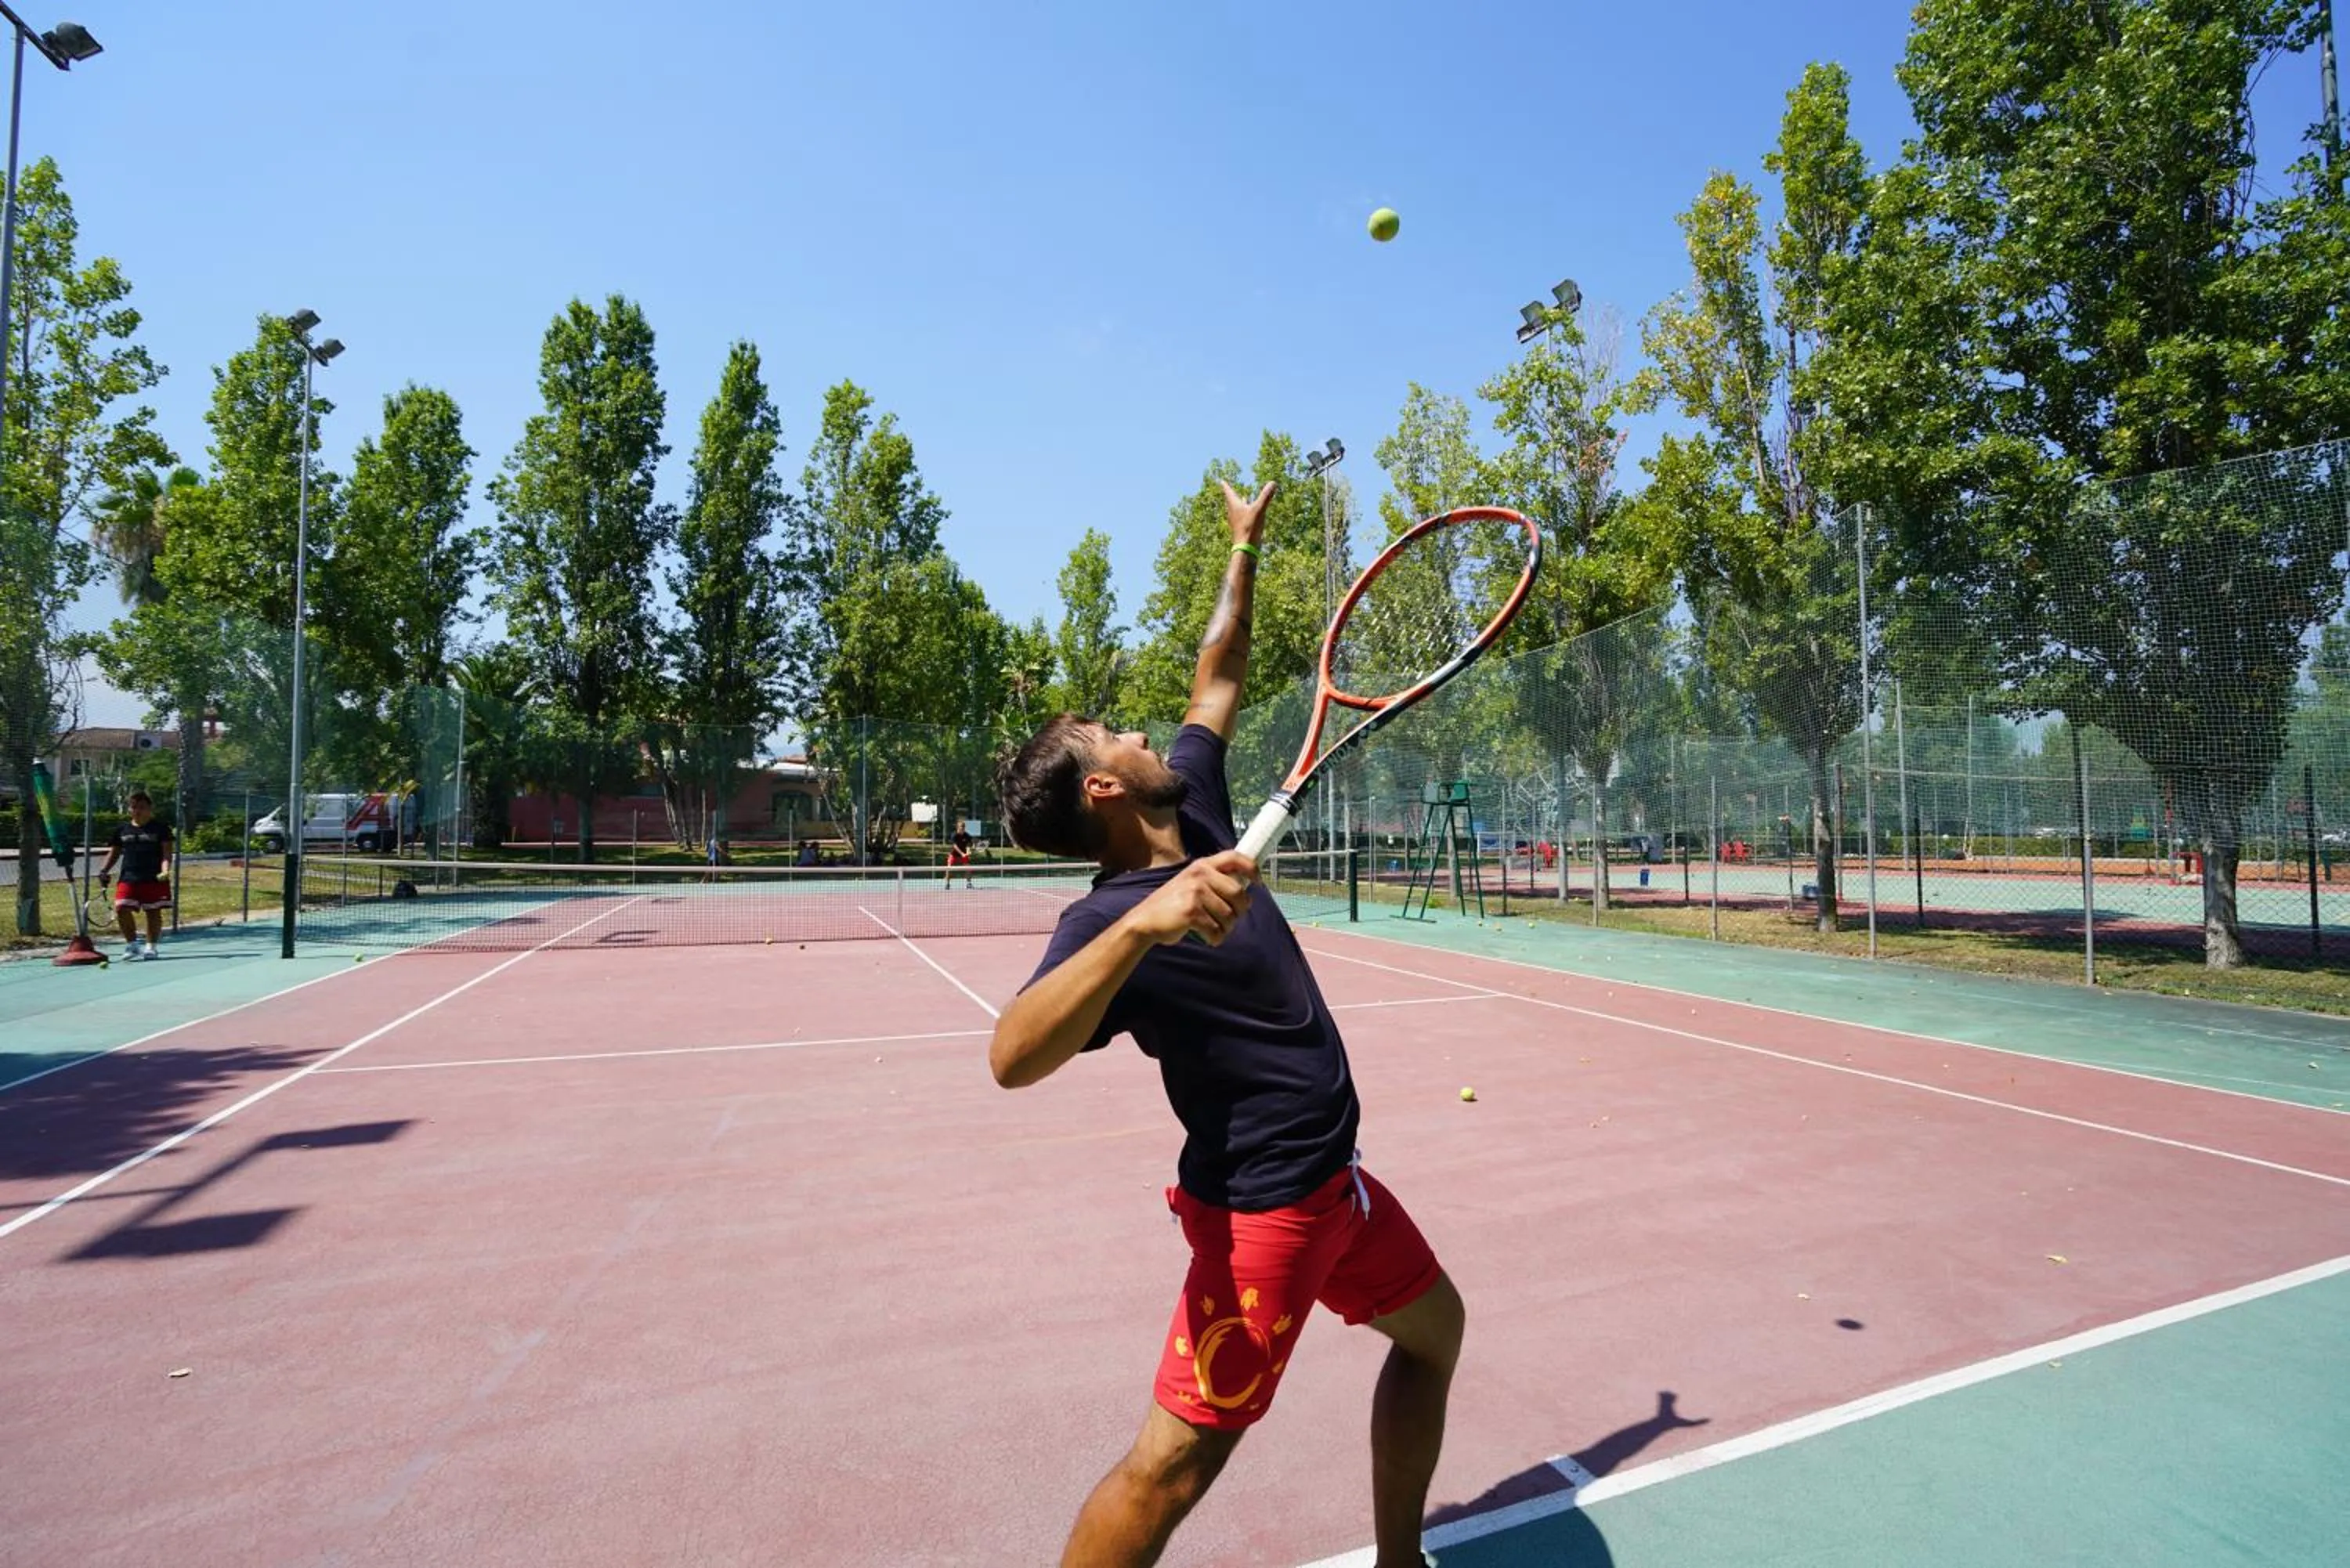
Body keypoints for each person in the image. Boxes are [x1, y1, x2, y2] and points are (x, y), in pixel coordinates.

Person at [991, 480, 1464, 1568]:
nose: (1146, 725)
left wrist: (1243, 548)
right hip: (1267, 1219)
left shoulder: (1193, 801)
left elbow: (1219, 673)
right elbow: (1012, 1054)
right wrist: (1147, 927)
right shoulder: (1106, 917)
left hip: (1334, 1185)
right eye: (1114, 731)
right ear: (1104, 785)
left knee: (1437, 1337)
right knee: (1169, 1468)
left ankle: (1402, 1564)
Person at [98, 789, 174, 961]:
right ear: (129, 810)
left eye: (141, 807)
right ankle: (132, 945)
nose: (137, 811)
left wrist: (165, 870)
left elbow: (166, 854)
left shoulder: (161, 829)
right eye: (134, 807)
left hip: (154, 878)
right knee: (121, 908)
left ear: (149, 809)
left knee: (153, 912)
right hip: (128, 877)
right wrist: (104, 870)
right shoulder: (122, 830)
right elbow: (114, 853)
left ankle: (151, 947)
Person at [946, 823, 975, 888]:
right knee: (949, 868)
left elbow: (968, 844)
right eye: (961, 828)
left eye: (963, 828)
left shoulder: (967, 835)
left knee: (968, 868)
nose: (962, 830)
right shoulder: (954, 835)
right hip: (954, 854)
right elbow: (955, 846)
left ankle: (969, 883)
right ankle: (947, 884)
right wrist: (962, 854)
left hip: (964, 855)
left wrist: (968, 851)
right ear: (957, 828)